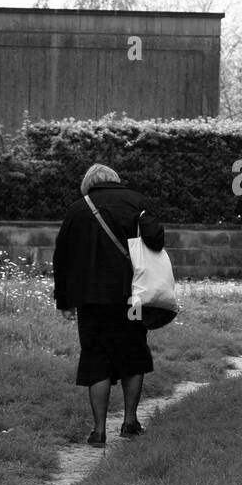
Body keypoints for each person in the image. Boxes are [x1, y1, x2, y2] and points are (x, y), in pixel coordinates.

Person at [52, 163, 165, 446]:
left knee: (96, 358)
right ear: (115, 180)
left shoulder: (77, 210)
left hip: (90, 300)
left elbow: (61, 257)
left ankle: (99, 430)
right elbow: (156, 240)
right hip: (132, 296)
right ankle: (130, 422)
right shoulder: (136, 202)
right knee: (133, 355)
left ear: (89, 184)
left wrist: (64, 301)